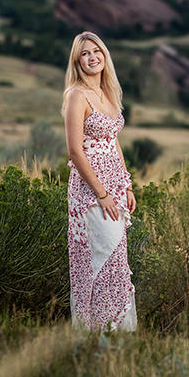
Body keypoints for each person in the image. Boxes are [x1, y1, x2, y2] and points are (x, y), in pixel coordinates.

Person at [62, 30, 137, 332]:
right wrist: (102, 193)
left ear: (104, 56)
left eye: (97, 51)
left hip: (115, 185)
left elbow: (113, 141)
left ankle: (119, 331)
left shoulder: (108, 93)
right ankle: (95, 331)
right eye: (85, 53)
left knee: (117, 258)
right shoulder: (76, 96)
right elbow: (74, 151)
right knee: (101, 255)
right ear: (77, 60)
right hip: (90, 189)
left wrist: (127, 184)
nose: (92, 58)